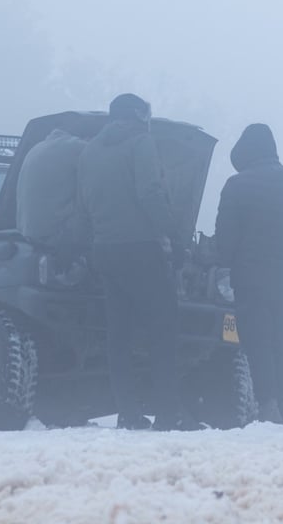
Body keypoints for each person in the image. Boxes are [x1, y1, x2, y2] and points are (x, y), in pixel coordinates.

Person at [77, 93, 198, 431]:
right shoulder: (140, 143)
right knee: (163, 329)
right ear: (138, 116)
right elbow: (150, 192)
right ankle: (168, 412)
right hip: (142, 248)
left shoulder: (88, 151)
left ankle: (127, 412)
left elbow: (83, 203)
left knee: (119, 335)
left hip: (106, 250)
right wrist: (173, 234)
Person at [214, 123, 283, 426]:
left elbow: (225, 237)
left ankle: (268, 405)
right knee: (280, 341)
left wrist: (226, 263)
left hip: (249, 277)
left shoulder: (237, 185)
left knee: (257, 341)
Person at [16, 128, 89, 251]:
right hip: (54, 235)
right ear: (87, 137)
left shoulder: (37, 147)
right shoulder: (77, 146)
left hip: (26, 232)